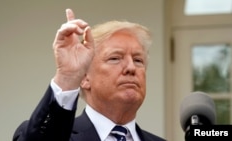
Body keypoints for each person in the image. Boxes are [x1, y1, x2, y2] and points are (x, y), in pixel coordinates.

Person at [13, 8, 166, 141]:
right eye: (115, 58)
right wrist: (68, 76)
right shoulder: (58, 136)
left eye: (138, 60)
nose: (131, 67)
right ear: (85, 77)